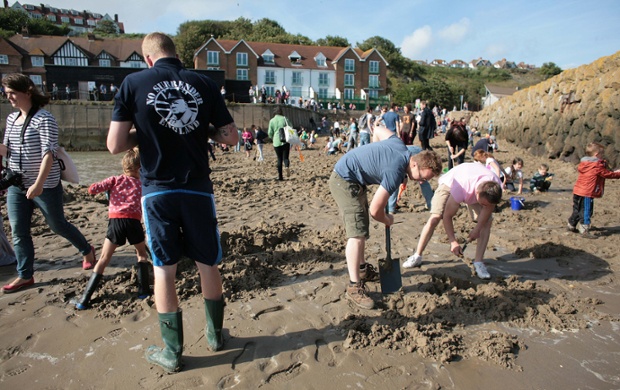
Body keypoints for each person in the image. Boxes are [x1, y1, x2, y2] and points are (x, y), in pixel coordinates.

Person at [106, 32, 239, 373]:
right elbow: (230, 136)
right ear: (175, 55)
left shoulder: (133, 83)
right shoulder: (204, 83)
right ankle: (215, 337)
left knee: (164, 268)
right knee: (208, 262)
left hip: (158, 190)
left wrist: (149, 132)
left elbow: (115, 145)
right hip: (197, 188)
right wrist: (199, 129)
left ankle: (172, 352)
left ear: (148, 58)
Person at [1, 73, 96, 293]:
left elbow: (49, 153)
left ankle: (86, 249)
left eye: (13, 93)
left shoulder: (45, 119)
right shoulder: (11, 120)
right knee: (18, 230)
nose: (10, 98)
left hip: (45, 185)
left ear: (27, 91)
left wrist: (39, 184)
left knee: (57, 224)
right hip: (17, 183)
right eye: (7, 94)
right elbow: (7, 151)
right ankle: (25, 275)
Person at [329, 125, 442, 309]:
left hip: (355, 178)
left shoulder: (400, 145)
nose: (422, 182)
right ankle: (353, 287)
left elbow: (379, 129)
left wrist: (372, 156)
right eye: (422, 176)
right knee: (356, 234)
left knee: (362, 229)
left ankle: (363, 270)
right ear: (414, 164)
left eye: (426, 181)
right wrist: (386, 219)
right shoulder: (395, 172)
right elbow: (375, 211)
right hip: (344, 179)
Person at [75, 148, 151, 310]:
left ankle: (84, 299)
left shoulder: (115, 180)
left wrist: (104, 190)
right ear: (140, 169)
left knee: (104, 258)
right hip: (133, 222)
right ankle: (143, 291)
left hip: (115, 221)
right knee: (141, 255)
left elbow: (93, 189)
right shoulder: (142, 184)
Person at [403, 162, 503, 280]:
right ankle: (417, 255)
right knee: (436, 217)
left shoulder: (495, 187)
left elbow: (487, 209)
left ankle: (479, 262)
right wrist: (453, 241)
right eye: (482, 203)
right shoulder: (461, 187)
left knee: (487, 222)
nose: (484, 206)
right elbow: (447, 216)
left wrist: (477, 229)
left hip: (476, 185)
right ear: (476, 193)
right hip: (450, 182)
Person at [567, 142, 620, 237]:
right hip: (587, 192)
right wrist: (618, 173)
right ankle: (584, 230)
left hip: (578, 191)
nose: (603, 156)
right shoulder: (596, 165)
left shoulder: (585, 163)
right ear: (596, 155)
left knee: (577, 209)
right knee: (586, 211)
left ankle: (571, 224)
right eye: (602, 154)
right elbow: (607, 174)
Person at [267, 106, 291, 181]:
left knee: (279, 159)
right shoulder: (284, 118)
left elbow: (270, 133)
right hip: (286, 140)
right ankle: (286, 166)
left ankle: (280, 176)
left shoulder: (272, 120)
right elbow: (291, 126)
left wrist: (272, 137)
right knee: (286, 157)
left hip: (276, 141)